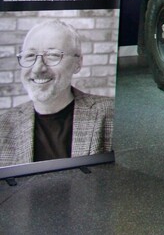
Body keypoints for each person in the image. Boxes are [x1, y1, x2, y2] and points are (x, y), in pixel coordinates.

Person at [0, 19, 114, 165]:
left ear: (78, 63)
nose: (38, 68)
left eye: (52, 55)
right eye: (30, 56)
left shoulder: (109, 113)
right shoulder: (3, 125)